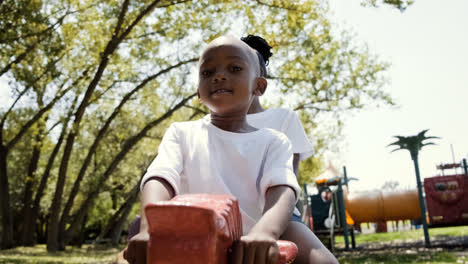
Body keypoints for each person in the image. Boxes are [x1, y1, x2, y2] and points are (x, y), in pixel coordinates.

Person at [124, 36, 337, 264]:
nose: (219, 76)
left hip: (253, 237)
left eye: (234, 68)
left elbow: (283, 188)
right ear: (198, 91)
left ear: (259, 86)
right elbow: (159, 178)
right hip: (189, 235)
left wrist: (265, 233)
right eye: (207, 73)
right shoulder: (181, 132)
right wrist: (150, 229)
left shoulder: (274, 141)